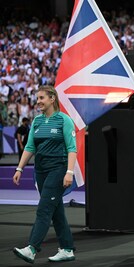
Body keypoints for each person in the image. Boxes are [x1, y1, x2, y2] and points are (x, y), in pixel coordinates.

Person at [12, 85, 77, 263]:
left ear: (52, 99)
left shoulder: (65, 120)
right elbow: (30, 147)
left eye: (41, 98)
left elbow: (72, 149)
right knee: (56, 210)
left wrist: (69, 172)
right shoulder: (37, 121)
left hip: (58, 169)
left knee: (44, 209)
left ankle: (32, 248)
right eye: (37, 98)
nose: (38, 102)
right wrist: (19, 168)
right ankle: (67, 249)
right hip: (40, 171)